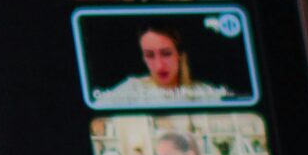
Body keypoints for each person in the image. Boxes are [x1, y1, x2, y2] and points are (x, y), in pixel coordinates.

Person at [94, 24, 227, 107]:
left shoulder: (205, 93)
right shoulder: (132, 89)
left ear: (179, 54)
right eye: (150, 55)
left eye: (166, 53)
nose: (159, 65)